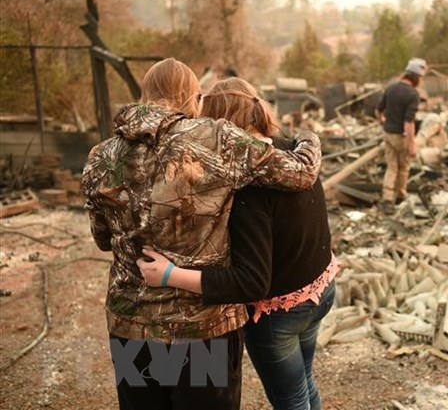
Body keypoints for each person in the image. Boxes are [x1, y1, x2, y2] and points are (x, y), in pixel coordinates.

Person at [81, 58, 322, 410]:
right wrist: (309, 137)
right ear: (192, 98)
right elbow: (301, 172)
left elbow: (103, 239)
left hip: (132, 325)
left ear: (145, 95)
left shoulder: (100, 157)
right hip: (202, 330)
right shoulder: (215, 139)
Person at [137, 77, 340, 410]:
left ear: (217, 126)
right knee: (304, 385)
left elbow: (251, 282)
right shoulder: (291, 152)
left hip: (279, 312)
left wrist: (169, 274)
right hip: (321, 289)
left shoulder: (248, 188)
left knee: (291, 400)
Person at [376, 58, 426, 215]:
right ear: (416, 77)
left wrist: (383, 122)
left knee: (391, 167)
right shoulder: (413, 95)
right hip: (401, 136)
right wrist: (412, 145)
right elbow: (409, 123)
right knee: (404, 167)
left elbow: (378, 111)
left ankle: (387, 200)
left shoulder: (390, 88)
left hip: (388, 134)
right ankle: (400, 196)